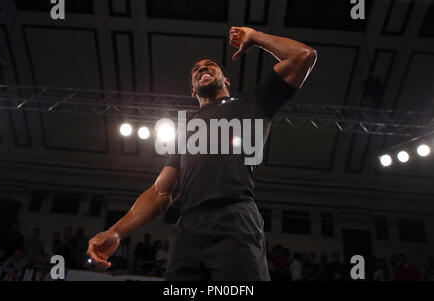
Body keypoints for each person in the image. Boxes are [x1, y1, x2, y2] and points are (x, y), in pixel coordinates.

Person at [88, 26, 317, 281]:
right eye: (196, 70)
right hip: (188, 229)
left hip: (235, 218)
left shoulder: (252, 103)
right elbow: (160, 192)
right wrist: (116, 232)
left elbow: (303, 56)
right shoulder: (187, 132)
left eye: (210, 65)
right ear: (192, 90)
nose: (202, 69)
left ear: (226, 80)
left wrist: (255, 38)